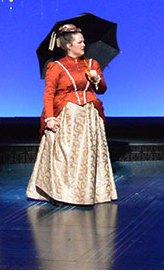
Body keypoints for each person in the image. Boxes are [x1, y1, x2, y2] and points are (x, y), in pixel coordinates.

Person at [26, 25, 117, 205]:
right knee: (65, 155)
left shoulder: (92, 64)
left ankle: (88, 192)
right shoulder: (56, 66)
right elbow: (49, 93)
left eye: (83, 41)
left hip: (88, 117)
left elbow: (103, 90)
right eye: (80, 42)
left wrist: (97, 80)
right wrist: (50, 118)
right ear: (69, 45)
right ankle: (61, 193)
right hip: (67, 116)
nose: (84, 45)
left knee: (86, 156)